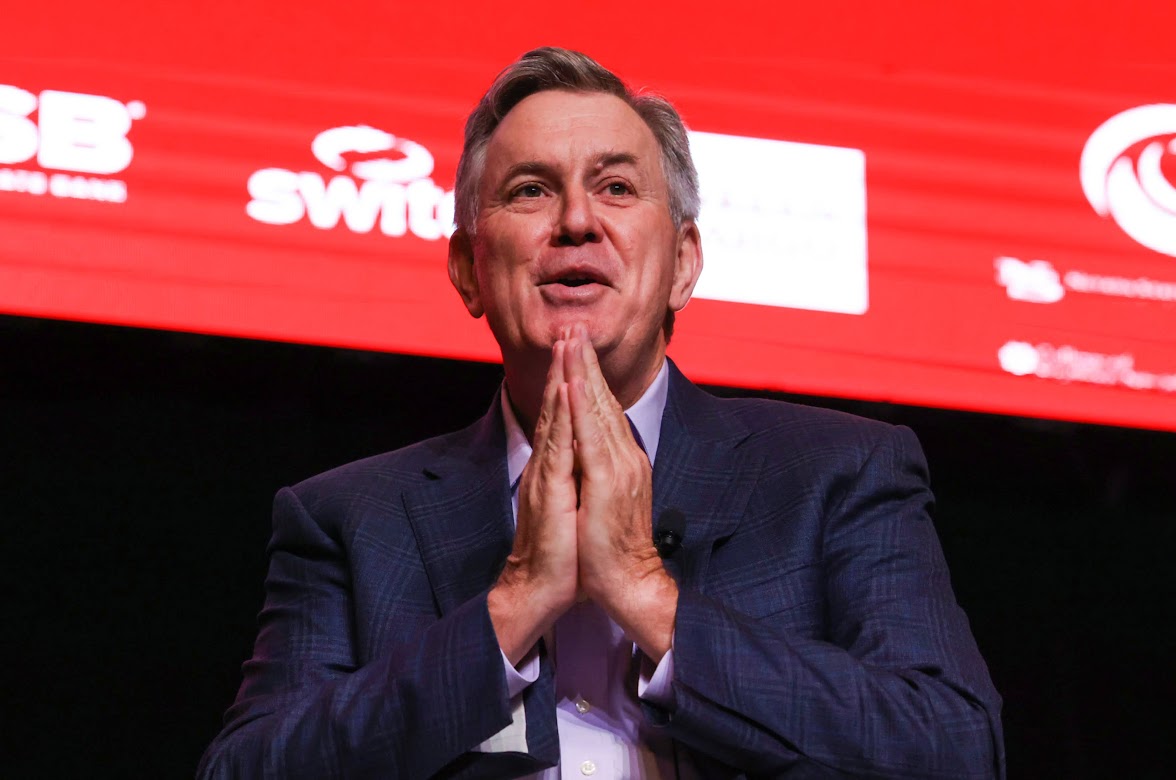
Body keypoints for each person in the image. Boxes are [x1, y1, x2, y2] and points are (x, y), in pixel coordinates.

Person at [199, 47, 1004, 779]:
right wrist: (514, 604)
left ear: (683, 264)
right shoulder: (347, 520)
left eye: (616, 188)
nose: (577, 221)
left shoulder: (836, 474)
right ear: (468, 269)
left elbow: (954, 751)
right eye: (530, 191)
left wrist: (647, 594)